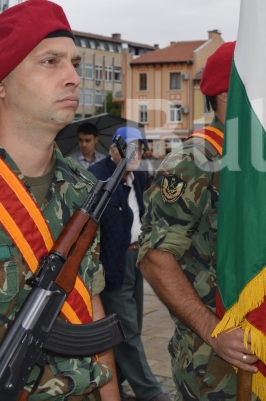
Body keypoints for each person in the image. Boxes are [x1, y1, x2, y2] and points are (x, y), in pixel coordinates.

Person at [0, 0, 118, 400]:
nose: (73, 78)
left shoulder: (82, 187)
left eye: (75, 63)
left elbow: (89, 309)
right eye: (51, 62)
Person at [138, 42, 266, 400]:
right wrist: (213, 332)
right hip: (212, 360)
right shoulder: (194, 159)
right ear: (228, 95)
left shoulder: (260, 160)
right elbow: (155, 259)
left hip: (262, 342)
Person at [88, 127, 169, 401]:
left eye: (139, 147)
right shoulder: (99, 176)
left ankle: (115, 384)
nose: (135, 153)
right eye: (128, 148)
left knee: (130, 325)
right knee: (128, 330)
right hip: (113, 261)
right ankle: (152, 392)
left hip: (137, 258)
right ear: (114, 150)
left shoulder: (138, 177)